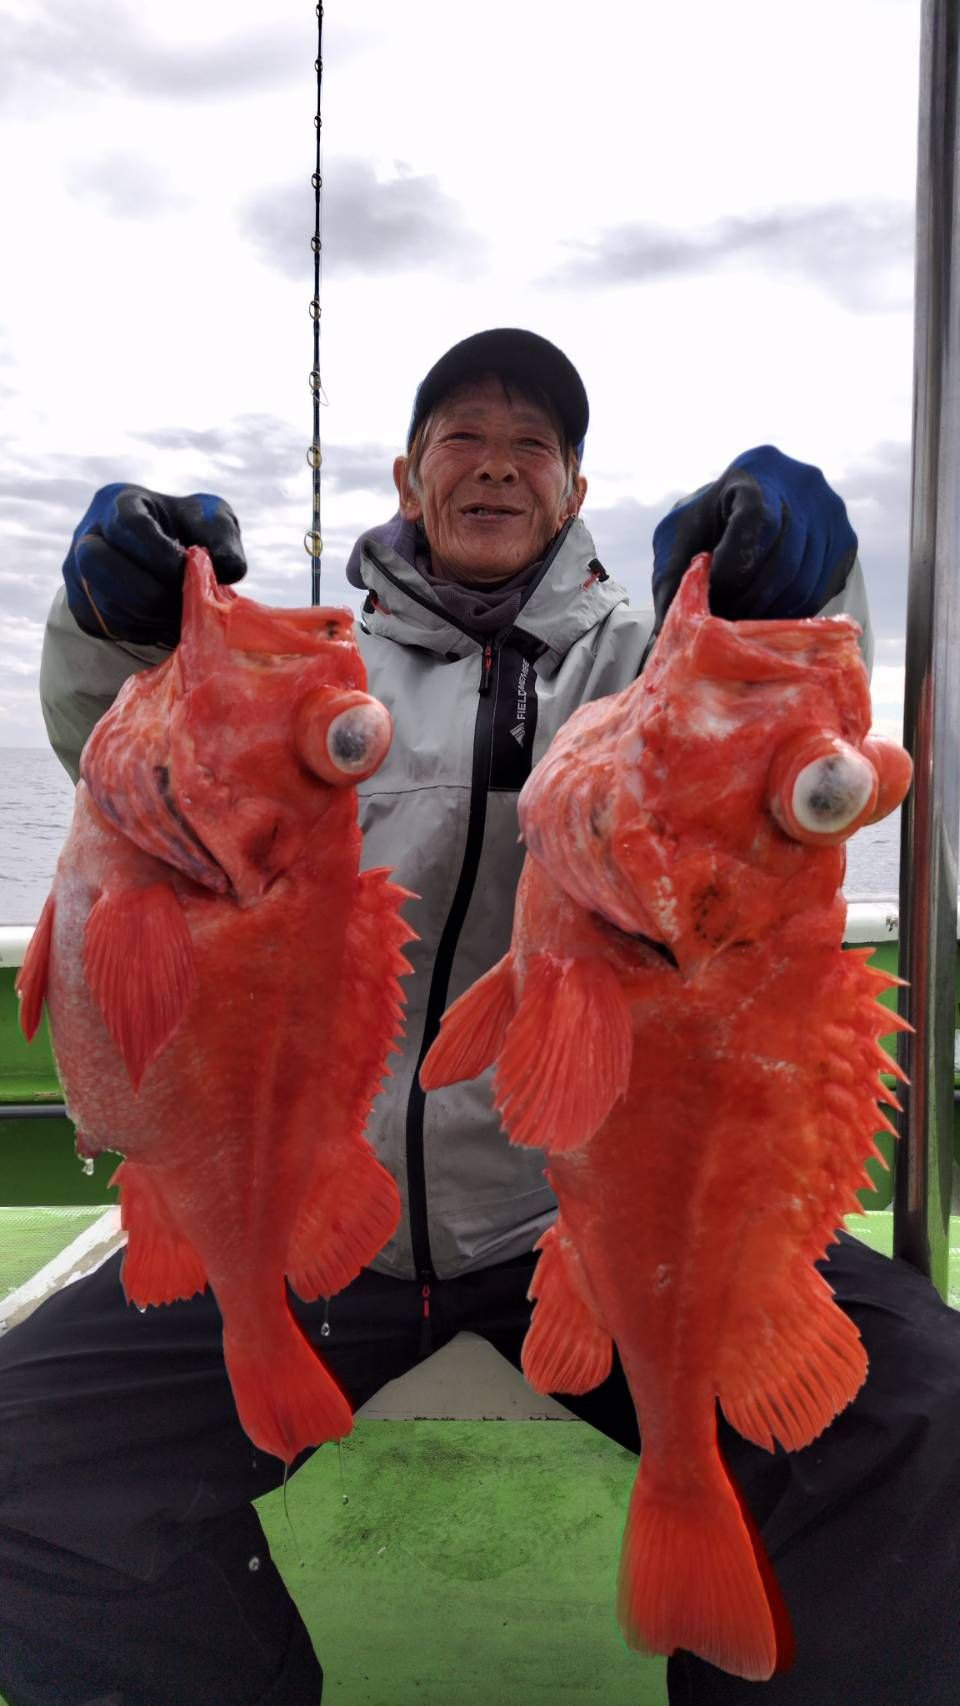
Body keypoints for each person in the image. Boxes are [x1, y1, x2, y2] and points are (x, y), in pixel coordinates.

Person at [1, 327, 958, 1706]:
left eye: (533, 446)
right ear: (409, 476)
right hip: (313, 1219)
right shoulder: (317, 676)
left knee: (920, 1417)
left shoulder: (649, 672)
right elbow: (130, 759)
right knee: (23, 1450)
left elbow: (784, 739)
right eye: (463, 437)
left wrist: (798, 584)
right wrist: (114, 622)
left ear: (576, 492)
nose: (497, 465)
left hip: (571, 1233)